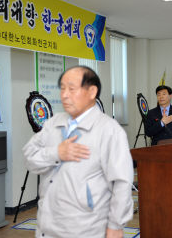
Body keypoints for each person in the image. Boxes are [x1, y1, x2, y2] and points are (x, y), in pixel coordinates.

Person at [23, 66, 133, 238]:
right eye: (62, 88)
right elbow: (29, 157)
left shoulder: (109, 130)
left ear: (92, 91)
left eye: (71, 89)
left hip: (87, 227)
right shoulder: (53, 124)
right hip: (48, 225)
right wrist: (56, 153)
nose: (65, 95)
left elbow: (122, 181)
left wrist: (115, 224)